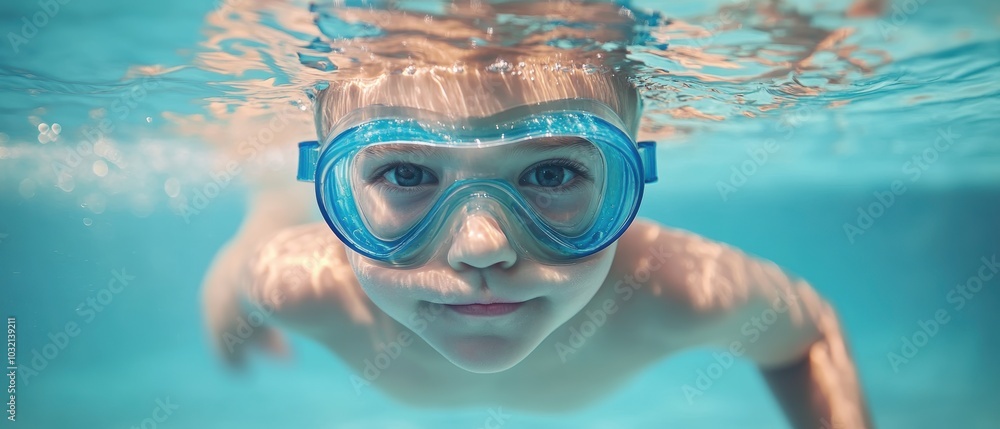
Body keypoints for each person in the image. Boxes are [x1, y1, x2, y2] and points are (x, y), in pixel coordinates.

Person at [201, 1, 873, 426]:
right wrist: (232, 318)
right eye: (406, 172)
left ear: (628, 178)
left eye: (551, 173)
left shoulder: (679, 291)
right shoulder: (294, 281)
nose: (483, 246)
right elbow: (235, 280)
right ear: (338, 191)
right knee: (268, 214)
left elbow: (808, 331)